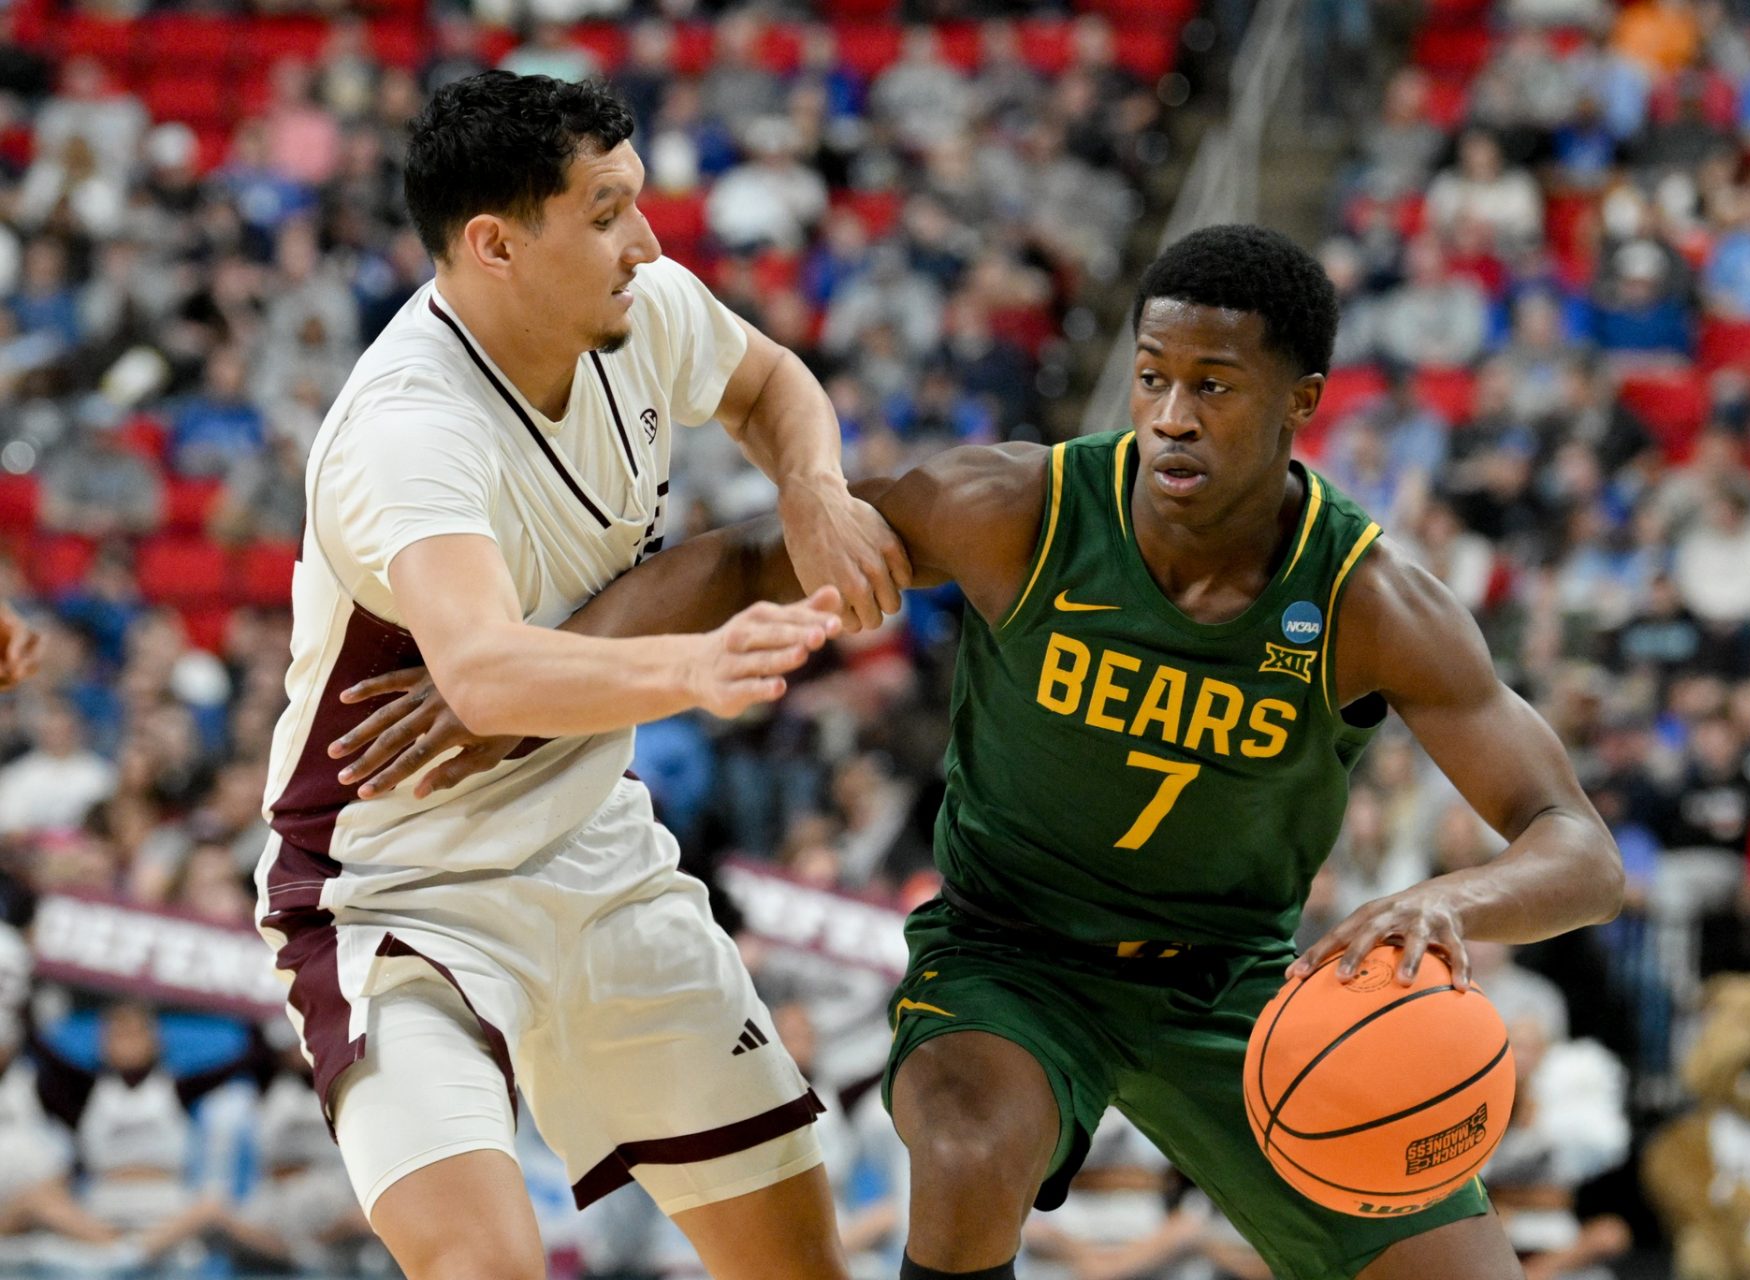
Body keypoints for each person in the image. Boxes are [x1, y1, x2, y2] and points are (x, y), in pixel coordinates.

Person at [333, 225, 1625, 1280]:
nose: (1172, 415)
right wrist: (505, 681)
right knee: (961, 1151)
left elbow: (1579, 850)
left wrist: (1448, 900)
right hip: (1011, 954)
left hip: (1237, 983)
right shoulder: (1013, 510)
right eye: (1155, 375)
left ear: (1302, 404)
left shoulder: (1367, 600)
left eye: (1215, 388)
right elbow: (736, 555)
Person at [253, 72, 908, 1280]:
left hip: (599, 854)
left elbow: (769, 385)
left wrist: (812, 486)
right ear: (495, 243)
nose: (647, 243)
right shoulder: (409, 429)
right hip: (403, 895)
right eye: (606, 212)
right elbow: (485, 675)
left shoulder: (646, 309)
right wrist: (696, 666)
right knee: (486, 1265)